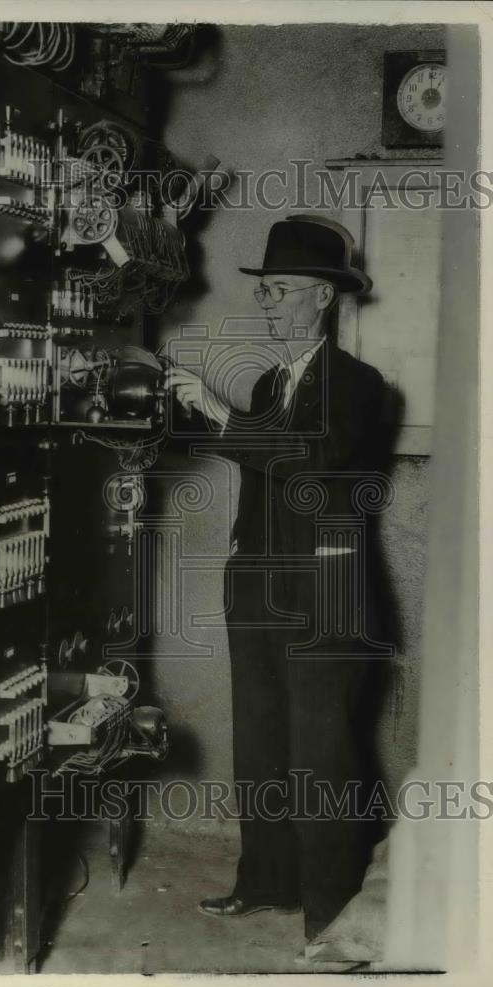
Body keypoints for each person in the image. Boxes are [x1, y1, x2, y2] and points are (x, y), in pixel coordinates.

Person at [164, 215, 392, 942]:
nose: (268, 303)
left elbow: (312, 461)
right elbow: (252, 454)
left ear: (323, 298)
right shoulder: (267, 383)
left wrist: (218, 414)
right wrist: (155, 405)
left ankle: (330, 915)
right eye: (265, 291)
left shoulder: (359, 385)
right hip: (256, 585)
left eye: (284, 291)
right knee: (261, 741)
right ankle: (267, 882)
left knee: (320, 753)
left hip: (325, 593)